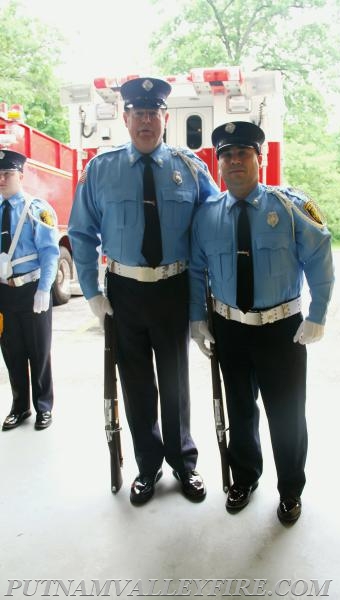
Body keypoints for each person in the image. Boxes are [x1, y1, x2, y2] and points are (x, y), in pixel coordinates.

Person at [68, 77, 218, 505]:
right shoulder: (101, 169)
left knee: (175, 384)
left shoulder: (191, 167)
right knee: (135, 385)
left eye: (154, 113)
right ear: (126, 117)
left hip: (172, 289)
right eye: (139, 113)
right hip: (124, 292)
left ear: (165, 118)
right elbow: (81, 233)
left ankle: (183, 464)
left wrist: (204, 306)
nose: (147, 121)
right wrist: (93, 292)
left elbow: (213, 228)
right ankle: (147, 467)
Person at [189, 121, 334, 523]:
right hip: (229, 328)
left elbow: (320, 254)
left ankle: (290, 490)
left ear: (259, 159)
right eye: (227, 155)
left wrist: (318, 315)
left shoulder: (288, 206)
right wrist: (197, 321)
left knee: (287, 415)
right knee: (240, 410)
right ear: (219, 164)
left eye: (243, 153)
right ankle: (245, 478)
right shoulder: (207, 216)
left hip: (282, 330)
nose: (235, 161)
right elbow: (196, 271)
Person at [0, 149, 59, 431]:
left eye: (7, 173)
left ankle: (43, 407)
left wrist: (45, 289)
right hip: (4, 294)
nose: (1, 178)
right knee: (12, 351)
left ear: (20, 175)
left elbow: (49, 253)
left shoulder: (38, 209)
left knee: (39, 351)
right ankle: (19, 406)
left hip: (32, 289)